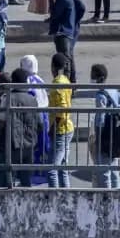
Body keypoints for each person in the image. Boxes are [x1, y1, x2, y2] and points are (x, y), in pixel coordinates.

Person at [0, 68, 42, 189]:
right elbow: (40, 123)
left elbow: (1, 122)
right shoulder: (32, 99)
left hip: (12, 145)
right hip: (29, 144)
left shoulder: (8, 98)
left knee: (2, 177)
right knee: (26, 179)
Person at [91, 63, 120, 189]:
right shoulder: (113, 90)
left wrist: (98, 136)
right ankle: (116, 194)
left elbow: (100, 119)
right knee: (114, 168)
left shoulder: (100, 95)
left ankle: (107, 196)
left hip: (105, 135)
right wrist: (117, 115)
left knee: (104, 171)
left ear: (97, 77)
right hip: (116, 134)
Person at [46, 51, 74, 188]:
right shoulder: (65, 80)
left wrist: (53, 128)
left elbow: (61, 109)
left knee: (52, 168)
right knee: (63, 167)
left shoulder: (57, 83)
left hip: (60, 129)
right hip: (68, 127)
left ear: (53, 66)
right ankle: (66, 195)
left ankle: (54, 198)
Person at [46, 0, 82, 74]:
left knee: (66, 60)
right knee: (69, 57)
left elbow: (55, 14)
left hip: (63, 33)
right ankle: (72, 83)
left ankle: (68, 84)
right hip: (65, 31)